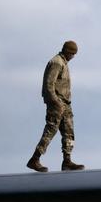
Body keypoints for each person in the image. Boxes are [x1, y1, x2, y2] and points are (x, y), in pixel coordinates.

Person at [27, 41, 84, 172]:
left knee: (69, 132)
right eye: (72, 54)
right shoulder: (57, 62)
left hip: (65, 104)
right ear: (67, 51)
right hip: (57, 104)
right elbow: (48, 85)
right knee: (50, 131)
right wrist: (56, 102)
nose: (73, 57)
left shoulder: (64, 62)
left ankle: (67, 161)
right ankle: (35, 159)